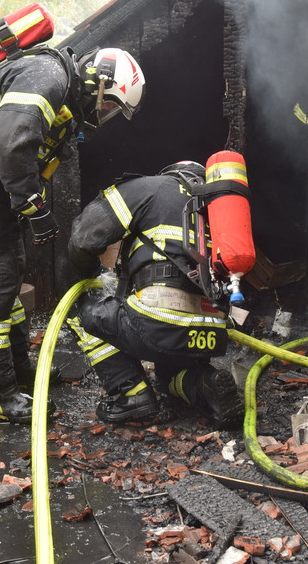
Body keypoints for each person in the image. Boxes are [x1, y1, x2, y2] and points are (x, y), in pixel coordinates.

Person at [0, 46, 145, 423]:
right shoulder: (49, 77)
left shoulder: (59, 90)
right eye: (108, 105)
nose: (104, 115)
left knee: (8, 268)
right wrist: (33, 206)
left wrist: (26, 202)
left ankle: (18, 369)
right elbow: (11, 143)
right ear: (98, 84)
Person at [65, 161, 244, 429]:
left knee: (79, 309)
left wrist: (92, 277)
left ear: (171, 173)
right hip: (212, 334)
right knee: (170, 377)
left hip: (157, 323)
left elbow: (83, 238)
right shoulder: (220, 212)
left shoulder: (149, 188)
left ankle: (131, 394)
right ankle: (205, 385)